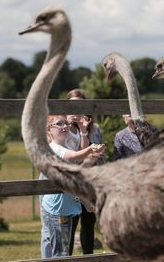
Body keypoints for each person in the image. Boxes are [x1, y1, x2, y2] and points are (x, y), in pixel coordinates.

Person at [40, 115, 104, 258]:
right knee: (60, 254)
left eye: (65, 123)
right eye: (59, 124)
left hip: (66, 208)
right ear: (49, 129)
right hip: (56, 211)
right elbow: (73, 156)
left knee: (63, 252)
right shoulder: (53, 148)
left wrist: (91, 158)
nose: (64, 126)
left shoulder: (65, 147)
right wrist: (90, 149)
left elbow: (75, 175)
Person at [66, 89, 105, 255]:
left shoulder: (95, 129)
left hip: (89, 184)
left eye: (80, 105)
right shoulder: (63, 128)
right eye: (72, 105)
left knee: (89, 225)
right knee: (70, 225)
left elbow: (99, 158)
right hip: (71, 185)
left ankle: (89, 258)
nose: (76, 109)